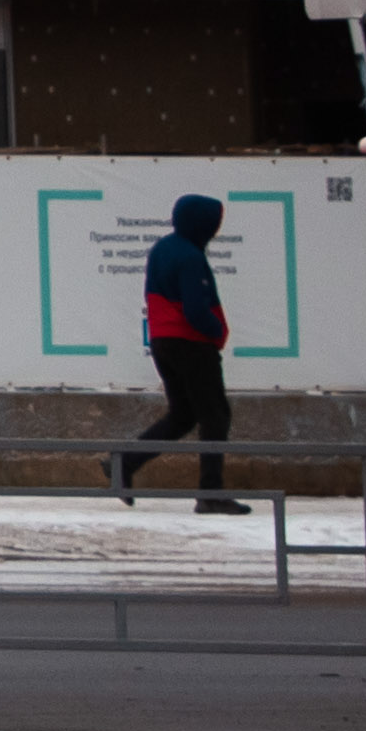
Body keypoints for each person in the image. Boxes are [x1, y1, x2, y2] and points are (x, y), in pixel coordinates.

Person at [112, 191, 249, 514]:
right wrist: (217, 332)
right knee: (215, 415)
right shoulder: (190, 256)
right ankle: (211, 493)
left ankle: (124, 462)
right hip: (191, 343)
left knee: (184, 414)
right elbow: (196, 309)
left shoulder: (162, 248)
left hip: (163, 341)